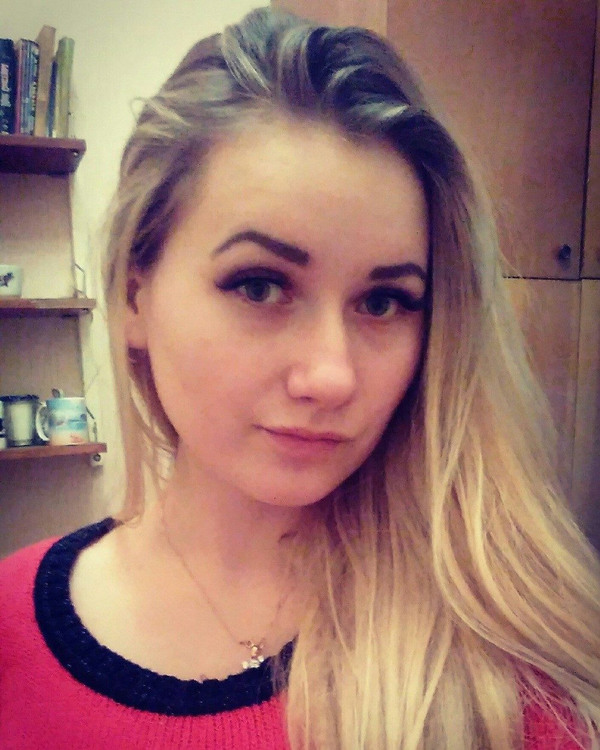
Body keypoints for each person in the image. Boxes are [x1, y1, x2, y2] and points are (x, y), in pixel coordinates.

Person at [0, 6, 599, 749]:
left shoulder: (505, 682)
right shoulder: (11, 632)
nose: (333, 376)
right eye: (260, 285)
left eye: (384, 302)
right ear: (134, 297)